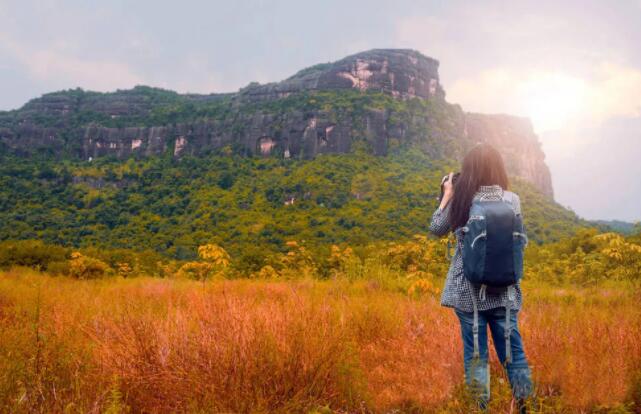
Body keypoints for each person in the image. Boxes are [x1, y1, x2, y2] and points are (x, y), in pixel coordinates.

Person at [429, 143, 533, 412]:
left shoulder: (463, 201)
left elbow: (436, 228)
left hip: (469, 294)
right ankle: (526, 407)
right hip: (505, 294)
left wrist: (448, 193)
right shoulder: (512, 200)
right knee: (514, 355)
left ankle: (479, 409)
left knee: (476, 358)